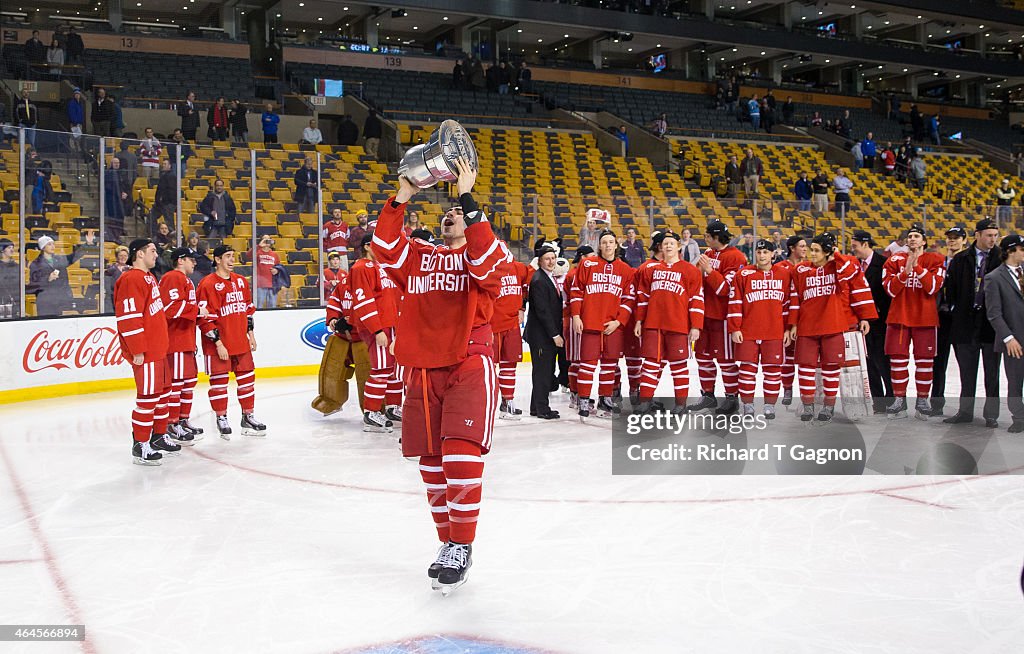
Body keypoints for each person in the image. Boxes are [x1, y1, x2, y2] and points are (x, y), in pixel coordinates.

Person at [371, 158, 511, 594]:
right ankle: (449, 544)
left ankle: (463, 544)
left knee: (459, 454)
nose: (450, 216)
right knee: (431, 463)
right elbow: (384, 245)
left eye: (458, 214)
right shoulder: (419, 256)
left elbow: (491, 267)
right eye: (447, 213)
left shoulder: (484, 252)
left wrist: (468, 198)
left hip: (470, 360)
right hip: (422, 366)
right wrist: (405, 192)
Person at [788, 233, 877, 423]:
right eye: (811, 249)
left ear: (828, 252)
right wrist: (793, 323)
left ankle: (829, 406)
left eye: (816, 250)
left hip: (833, 326)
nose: (811, 253)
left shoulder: (840, 267)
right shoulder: (802, 269)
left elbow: (853, 276)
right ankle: (808, 405)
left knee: (831, 369)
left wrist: (864, 316)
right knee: (806, 368)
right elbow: (795, 298)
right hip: (807, 327)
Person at [114, 239, 181, 465]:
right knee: (148, 398)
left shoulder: (150, 278)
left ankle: (158, 436)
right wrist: (137, 349)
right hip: (147, 352)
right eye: (152, 251)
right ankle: (140, 444)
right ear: (139, 254)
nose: (156, 254)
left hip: (159, 349)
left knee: (163, 395)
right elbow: (128, 317)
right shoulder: (131, 279)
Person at [197, 244, 265, 439]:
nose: (232, 260)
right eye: (227, 256)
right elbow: (204, 318)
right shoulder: (207, 284)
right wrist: (218, 343)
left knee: (247, 380)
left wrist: (250, 334)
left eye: (233, 255)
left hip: (240, 342)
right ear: (217, 259)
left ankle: (248, 416)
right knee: (218, 382)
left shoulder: (241, 281)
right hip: (218, 345)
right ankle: (221, 417)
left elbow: (247, 311)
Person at [632, 231, 704, 413]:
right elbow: (643, 297)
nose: (668, 246)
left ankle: (681, 404)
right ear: (661, 247)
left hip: (678, 325)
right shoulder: (651, 270)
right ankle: (645, 402)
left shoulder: (691, 270)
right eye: (665, 243)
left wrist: (696, 325)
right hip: (653, 324)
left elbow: (696, 300)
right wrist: (639, 320)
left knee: (679, 366)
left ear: (679, 246)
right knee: (650, 364)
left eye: (672, 243)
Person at [882, 223, 945, 420]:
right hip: (899, 317)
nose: (912, 239)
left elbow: (933, 287)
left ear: (924, 241)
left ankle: (922, 399)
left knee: (925, 362)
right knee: (898, 360)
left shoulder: (936, 259)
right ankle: (899, 399)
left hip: (925, 318)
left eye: (917, 236)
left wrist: (915, 266)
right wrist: (905, 271)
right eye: (910, 236)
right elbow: (891, 290)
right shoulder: (894, 260)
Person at [943, 219, 1002, 427]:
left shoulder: (1001, 258)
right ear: (977, 235)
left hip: (991, 324)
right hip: (966, 322)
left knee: (992, 373)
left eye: (995, 235)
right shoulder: (961, 259)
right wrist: (956, 310)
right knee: (967, 372)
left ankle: (991, 415)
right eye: (989, 235)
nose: (993, 239)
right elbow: (950, 289)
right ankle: (965, 412)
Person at [570, 229, 634, 419]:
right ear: (600, 245)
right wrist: (576, 316)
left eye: (611, 242)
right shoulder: (587, 264)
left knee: (609, 365)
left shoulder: (625, 270)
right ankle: (583, 399)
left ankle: (605, 399)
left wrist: (619, 321)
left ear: (616, 245)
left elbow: (629, 299)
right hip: (590, 323)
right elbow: (576, 291)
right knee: (587, 365)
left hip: (612, 326)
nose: (607, 245)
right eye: (604, 242)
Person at [687, 220, 748, 414]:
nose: (704, 239)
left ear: (716, 238)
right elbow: (697, 281)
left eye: (707, 236)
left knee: (725, 359)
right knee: (703, 357)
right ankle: (708, 395)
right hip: (704, 316)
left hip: (723, 317)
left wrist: (709, 271)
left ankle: (732, 398)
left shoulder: (736, 257)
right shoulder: (708, 254)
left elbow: (727, 289)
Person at [728, 239, 793, 419]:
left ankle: (769, 405)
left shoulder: (784, 274)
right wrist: (735, 328)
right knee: (747, 370)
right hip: (748, 331)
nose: (762, 255)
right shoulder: (743, 274)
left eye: (766, 252)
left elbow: (788, 303)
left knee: (772, 370)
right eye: (759, 252)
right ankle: (748, 404)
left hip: (774, 331)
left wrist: (788, 328)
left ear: (773, 254)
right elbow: (735, 302)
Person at [349, 234, 403, 431]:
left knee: (395, 369)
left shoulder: (384, 267)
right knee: (381, 369)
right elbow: (363, 301)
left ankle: (393, 407)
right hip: (378, 327)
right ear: (367, 246)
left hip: (392, 325)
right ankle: (371, 413)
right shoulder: (360, 268)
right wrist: (377, 329)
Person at [160, 247, 207, 444]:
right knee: (177, 384)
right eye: (191, 259)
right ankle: (172, 424)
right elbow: (169, 307)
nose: (194, 263)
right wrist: (197, 310)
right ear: (180, 260)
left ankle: (182, 420)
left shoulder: (186, 280)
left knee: (187, 383)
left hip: (186, 340)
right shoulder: (173, 277)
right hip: (176, 340)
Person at [984, 234, 1024, 433]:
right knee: (1015, 380)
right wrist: (1008, 338)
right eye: (1021, 249)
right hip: (1014, 338)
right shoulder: (994, 278)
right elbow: (994, 314)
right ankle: (1019, 417)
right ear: (1010, 251)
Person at [850, 230, 892, 414]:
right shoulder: (854, 266)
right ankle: (878, 402)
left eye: (855, 246)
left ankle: (892, 400)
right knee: (869, 365)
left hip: (880, 323)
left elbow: (888, 296)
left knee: (883, 363)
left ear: (865, 244)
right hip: (861, 325)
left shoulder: (883, 264)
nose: (853, 250)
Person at [930, 226, 968, 417]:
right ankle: (936, 403)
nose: (952, 241)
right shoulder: (940, 261)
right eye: (950, 238)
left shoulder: (968, 261)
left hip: (960, 318)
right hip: (941, 317)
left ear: (964, 240)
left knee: (965, 364)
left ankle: (965, 407)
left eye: (956, 237)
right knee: (938, 363)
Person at [491, 254, 532, 420]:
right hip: (491, 325)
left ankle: (507, 402)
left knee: (509, 365)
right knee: (488, 368)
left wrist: (522, 307)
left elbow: (527, 286)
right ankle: (486, 404)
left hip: (512, 325)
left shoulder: (518, 267)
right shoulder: (487, 268)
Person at [524, 246, 563, 419]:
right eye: (547, 259)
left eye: (553, 258)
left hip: (544, 335)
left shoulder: (547, 277)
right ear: (540, 261)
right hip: (541, 336)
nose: (551, 261)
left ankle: (536, 407)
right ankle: (542, 409)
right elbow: (543, 311)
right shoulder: (539, 280)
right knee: (543, 373)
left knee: (543, 371)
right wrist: (555, 335)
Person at [775, 236, 807, 405]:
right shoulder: (780, 267)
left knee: (805, 357)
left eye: (805, 246)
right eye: (801, 246)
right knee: (786, 355)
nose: (805, 249)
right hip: (786, 315)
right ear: (792, 248)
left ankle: (807, 393)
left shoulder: (809, 266)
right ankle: (787, 388)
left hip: (806, 317)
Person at [252, 235, 281, 309]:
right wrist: (259, 246)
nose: (267, 241)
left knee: (272, 306)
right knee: (259, 306)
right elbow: (248, 256)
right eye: (265, 239)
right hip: (260, 284)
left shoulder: (274, 254)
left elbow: (279, 266)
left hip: (272, 284)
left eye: (269, 239)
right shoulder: (257, 252)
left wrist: (276, 270)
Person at [104, 157, 129, 242]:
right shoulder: (108, 173)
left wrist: (124, 192)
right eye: (115, 163)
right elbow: (107, 186)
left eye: (118, 163)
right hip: (111, 198)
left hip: (120, 198)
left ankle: (120, 230)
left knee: (121, 214)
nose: (117, 164)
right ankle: (114, 232)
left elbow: (125, 184)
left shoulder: (121, 173)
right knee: (113, 215)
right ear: (111, 164)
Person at [151, 159, 177, 227]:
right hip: (160, 203)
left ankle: (171, 236)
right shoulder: (163, 175)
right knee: (151, 217)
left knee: (169, 222)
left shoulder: (171, 176)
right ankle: (154, 233)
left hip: (167, 203)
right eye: (163, 164)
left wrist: (168, 202)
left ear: (170, 166)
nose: (163, 165)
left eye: (165, 164)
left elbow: (171, 191)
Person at [0, 238, 20, 318]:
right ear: (2, 250)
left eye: (12, 247)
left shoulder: (17, 266)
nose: (12, 250)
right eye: (9, 247)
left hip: (14, 302)